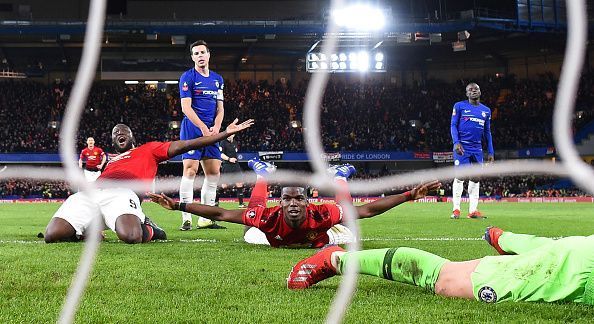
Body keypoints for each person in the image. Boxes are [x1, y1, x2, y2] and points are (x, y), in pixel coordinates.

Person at [43, 118, 253, 244]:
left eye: (123, 131)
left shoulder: (149, 149)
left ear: (132, 137)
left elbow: (187, 144)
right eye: (115, 133)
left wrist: (223, 134)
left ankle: (149, 227)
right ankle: (88, 231)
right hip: (93, 193)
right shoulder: (113, 160)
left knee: (131, 236)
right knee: (52, 235)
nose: (118, 133)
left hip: (123, 193)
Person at [149, 160, 441, 248]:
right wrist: (177, 206)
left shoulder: (321, 213)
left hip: (321, 237)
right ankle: (265, 176)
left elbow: (367, 209)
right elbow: (222, 212)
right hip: (272, 236)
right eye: (286, 198)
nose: (292, 203)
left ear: (307, 200)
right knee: (251, 226)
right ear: (281, 201)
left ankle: (339, 177)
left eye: (298, 198)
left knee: (349, 223)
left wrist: (407, 196)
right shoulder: (270, 218)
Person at [287, 227, 594, 307]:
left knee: (562, 250)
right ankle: (335, 259)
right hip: (580, 272)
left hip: (581, 256)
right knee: (446, 279)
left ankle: (507, 240)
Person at [178, 40, 226, 231]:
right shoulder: (187, 77)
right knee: (190, 171)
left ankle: (205, 218)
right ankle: (186, 217)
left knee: (214, 173)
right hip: (192, 129)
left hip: (212, 130)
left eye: (202, 53)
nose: (199, 56)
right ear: (192, 58)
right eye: (196, 53)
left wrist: (216, 126)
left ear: (208, 55)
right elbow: (185, 107)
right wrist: (203, 128)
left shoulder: (218, 79)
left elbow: (220, 108)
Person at [450, 82, 494, 219]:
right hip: (462, 147)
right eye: (470, 89)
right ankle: (456, 210)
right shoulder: (459, 106)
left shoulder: (486, 110)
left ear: (480, 92)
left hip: (477, 149)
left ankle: (473, 211)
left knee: (475, 178)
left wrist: (491, 152)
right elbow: (453, 125)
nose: (473, 91)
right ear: (467, 93)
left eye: (476, 89)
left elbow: (487, 132)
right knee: (461, 176)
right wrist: (456, 142)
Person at [215, 133, 246, 208]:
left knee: (240, 183)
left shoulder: (235, 142)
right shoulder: (223, 142)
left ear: (233, 135)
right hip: (227, 165)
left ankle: (241, 204)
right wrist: (229, 159)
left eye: (231, 134)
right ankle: (216, 201)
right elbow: (221, 154)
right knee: (224, 186)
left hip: (236, 165)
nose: (229, 135)